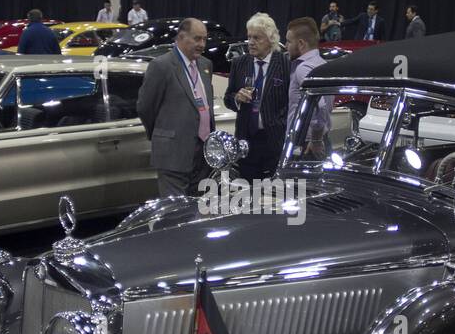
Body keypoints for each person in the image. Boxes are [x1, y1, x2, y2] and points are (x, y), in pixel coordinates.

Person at [138, 18, 215, 197]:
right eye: (197, 39)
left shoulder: (205, 65)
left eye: (204, 39)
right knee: (174, 213)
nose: (202, 44)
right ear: (180, 37)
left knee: (198, 211)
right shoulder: (161, 66)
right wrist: (162, 134)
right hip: (173, 153)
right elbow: (145, 107)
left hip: (202, 154)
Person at [224, 13, 290, 180]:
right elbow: (227, 98)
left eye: (257, 38)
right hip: (246, 140)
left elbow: (290, 102)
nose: (251, 42)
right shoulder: (239, 64)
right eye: (249, 37)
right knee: (248, 191)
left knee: (273, 193)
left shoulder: (285, 64)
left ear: (271, 40)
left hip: (274, 140)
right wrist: (237, 98)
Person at [285, 17, 331, 158]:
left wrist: (316, 139)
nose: (286, 46)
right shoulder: (323, 64)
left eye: (288, 41)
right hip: (318, 140)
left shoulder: (303, 68)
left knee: (300, 181)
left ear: (301, 43)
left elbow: (321, 105)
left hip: (306, 145)